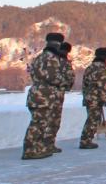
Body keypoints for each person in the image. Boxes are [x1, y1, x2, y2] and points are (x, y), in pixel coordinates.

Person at [21, 32, 65, 160]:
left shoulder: (39, 57)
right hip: (45, 95)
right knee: (38, 124)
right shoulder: (52, 58)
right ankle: (30, 150)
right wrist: (61, 79)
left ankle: (36, 148)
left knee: (38, 122)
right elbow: (53, 77)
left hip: (35, 92)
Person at [44, 41, 75, 154]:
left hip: (43, 94)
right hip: (57, 95)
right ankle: (48, 144)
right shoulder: (64, 62)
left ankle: (40, 144)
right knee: (54, 121)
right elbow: (69, 78)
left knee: (44, 120)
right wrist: (65, 86)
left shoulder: (48, 59)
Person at [80, 47, 106, 149]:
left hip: (88, 96)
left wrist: (86, 96)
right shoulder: (101, 68)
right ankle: (86, 141)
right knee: (93, 120)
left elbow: (84, 84)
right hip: (96, 98)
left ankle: (86, 139)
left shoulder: (90, 67)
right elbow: (102, 86)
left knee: (90, 118)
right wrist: (104, 99)